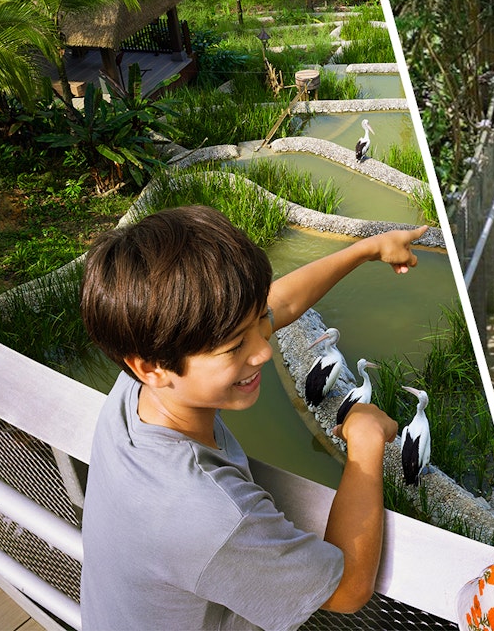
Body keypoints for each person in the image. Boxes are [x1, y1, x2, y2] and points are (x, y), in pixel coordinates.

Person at [79, 204, 428, 630]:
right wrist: (366, 442)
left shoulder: (135, 390)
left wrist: (366, 250)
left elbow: (277, 302)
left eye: (258, 322)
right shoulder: (211, 515)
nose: (263, 350)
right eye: (232, 348)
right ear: (150, 366)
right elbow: (349, 590)